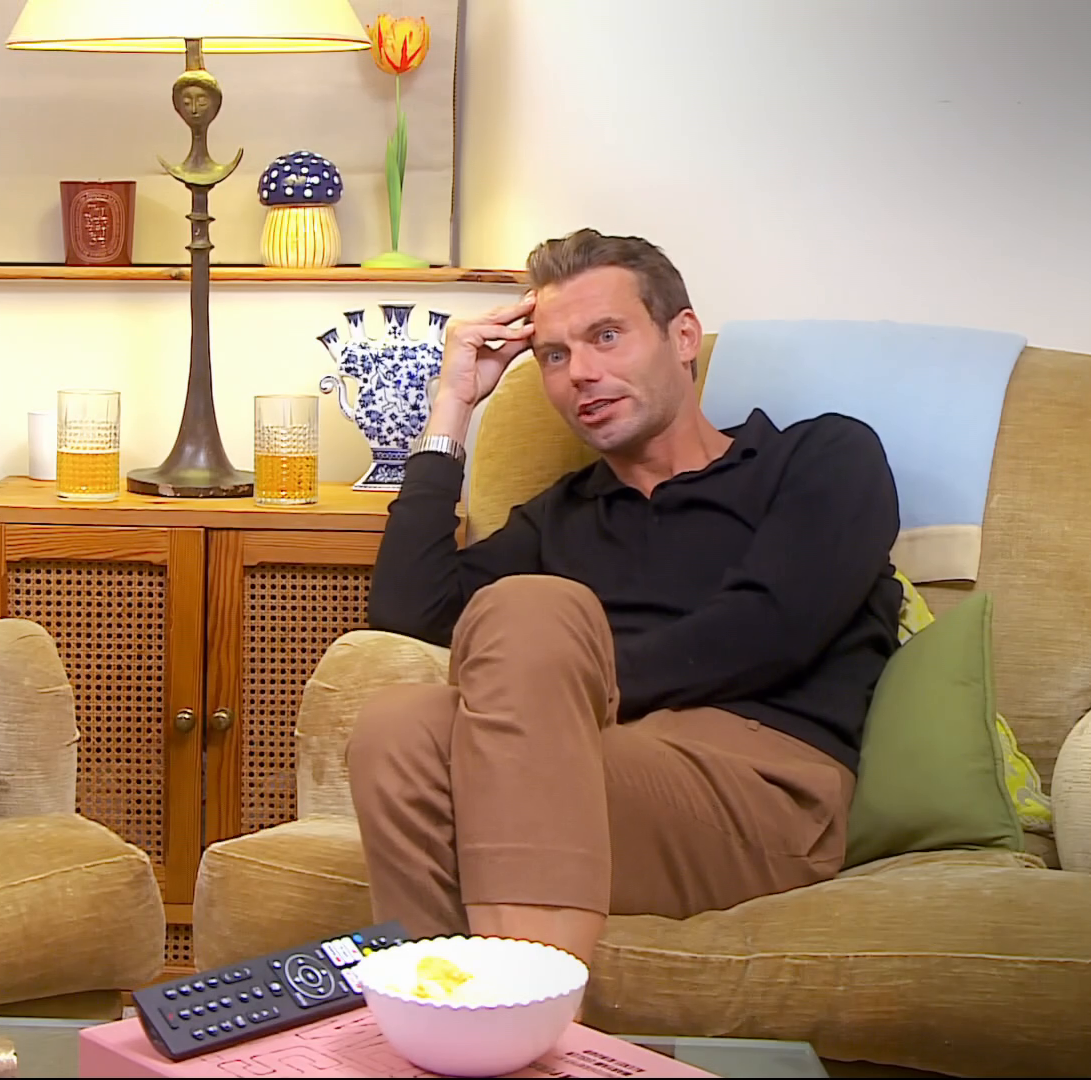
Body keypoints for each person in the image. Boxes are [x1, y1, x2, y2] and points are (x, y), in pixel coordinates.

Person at [349, 228, 901, 967]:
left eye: (606, 336)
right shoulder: (560, 517)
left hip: (763, 786)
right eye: (554, 355)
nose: (581, 373)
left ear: (683, 337)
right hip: (585, 764)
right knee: (397, 729)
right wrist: (452, 404)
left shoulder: (819, 456)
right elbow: (407, 613)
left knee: (533, 612)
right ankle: (443, 1000)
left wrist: (567, 685)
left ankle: (520, 997)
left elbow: (772, 629)